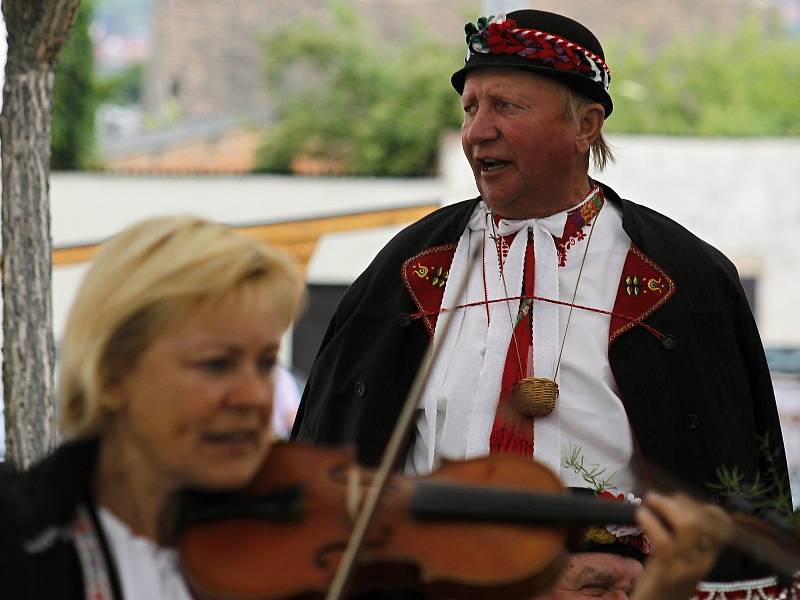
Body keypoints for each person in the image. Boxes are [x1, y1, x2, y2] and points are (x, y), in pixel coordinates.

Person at [293, 8, 790, 581]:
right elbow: (334, 453)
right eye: (471, 108)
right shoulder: (408, 269)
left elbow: (733, 476)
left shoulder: (681, 277)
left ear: (586, 125)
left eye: (506, 106)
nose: (478, 131)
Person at [0, 216, 305, 599]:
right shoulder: (19, 542)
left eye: (265, 364)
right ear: (111, 374)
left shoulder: (289, 551)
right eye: (217, 364)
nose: (257, 397)